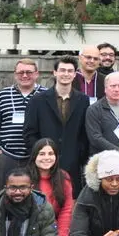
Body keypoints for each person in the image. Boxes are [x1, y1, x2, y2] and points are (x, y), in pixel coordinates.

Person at [24, 56, 91, 193]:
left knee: (70, 205)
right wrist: (41, 154)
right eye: (62, 70)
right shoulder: (38, 101)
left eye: (70, 71)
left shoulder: (83, 100)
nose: (66, 74)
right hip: (44, 164)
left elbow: (84, 133)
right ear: (55, 73)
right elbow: (29, 133)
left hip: (72, 164)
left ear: (75, 74)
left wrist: (79, 153)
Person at [0, 59, 46, 186]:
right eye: (21, 72)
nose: (25, 76)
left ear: (37, 74)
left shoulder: (46, 95)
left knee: (36, 193)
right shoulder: (2, 95)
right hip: (8, 155)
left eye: (29, 72)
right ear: (15, 75)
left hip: (36, 156)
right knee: (6, 193)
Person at [27, 139, 75, 236]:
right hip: (30, 235)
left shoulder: (63, 177)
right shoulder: (25, 178)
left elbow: (66, 211)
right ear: (34, 156)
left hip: (55, 232)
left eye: (51, 154)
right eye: (42, 154)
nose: (47, 158)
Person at [85, 73, 119, 155]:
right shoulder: (94, 109)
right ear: (105, 88)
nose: (117, 89)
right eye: (113, 86)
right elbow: (95, 138)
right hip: (101, 159)